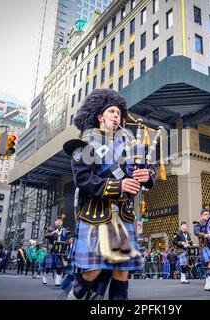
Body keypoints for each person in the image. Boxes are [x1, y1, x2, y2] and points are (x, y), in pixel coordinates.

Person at [63, 89, 156, 300]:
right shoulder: (85, 143)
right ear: (99, 116)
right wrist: (119, 186)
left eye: (118, 112)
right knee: (93, 268)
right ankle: (74, 297)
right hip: (95, 214)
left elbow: (148, 173)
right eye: (111, 111)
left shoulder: (131, 145)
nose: (116, 115)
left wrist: (146, 175)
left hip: (122, 215)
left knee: (122, 271)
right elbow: (84, 180)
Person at [194, 209, 210, 292]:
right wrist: (205, 235)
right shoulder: (198, 224)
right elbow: (196, 232)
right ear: (201, 216)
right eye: (205, 214)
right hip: (204, 246)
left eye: (208, 214)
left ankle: (207, 284)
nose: (207, 215)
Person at [44, 216, 71, 286]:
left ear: (62, 222)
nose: (59, 221)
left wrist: (70, 240)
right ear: (55, 221)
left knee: (60, 266)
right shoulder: (50, 228)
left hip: (61, 250)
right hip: (52, 250)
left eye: (60, 220)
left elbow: (67, 239)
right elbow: (46, 236)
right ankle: (45, 275)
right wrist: (53, 232)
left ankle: (57, 281)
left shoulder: (65, 230)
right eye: (58, 220)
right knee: (49, 266)